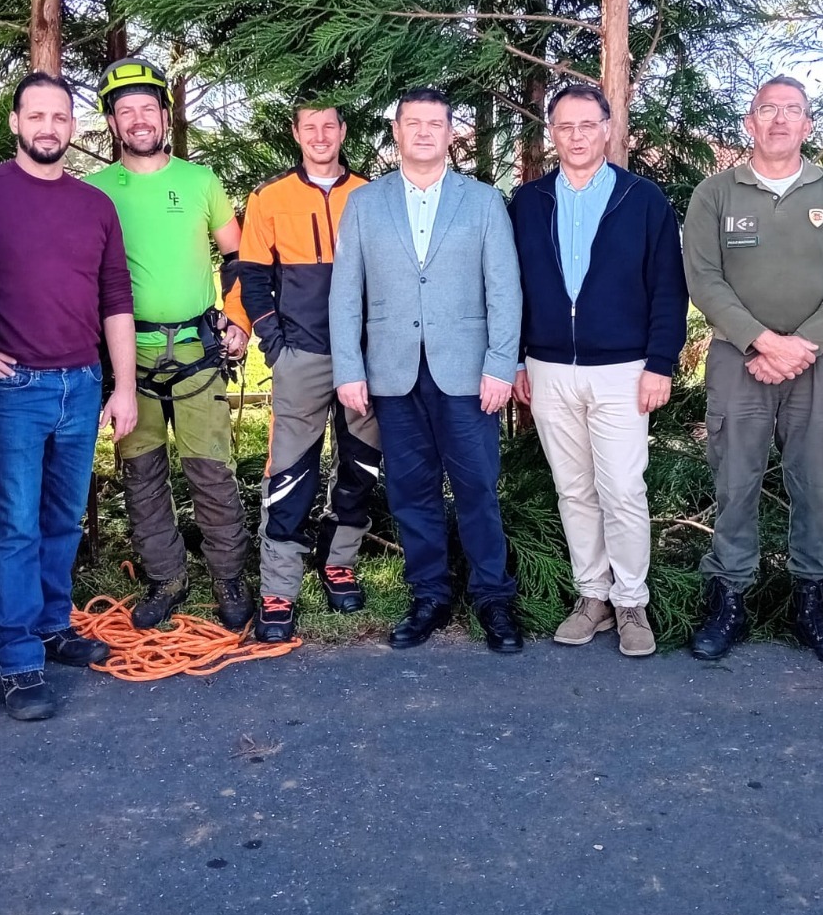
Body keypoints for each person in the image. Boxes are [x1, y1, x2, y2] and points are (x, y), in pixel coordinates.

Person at [0, 70, 138, 722]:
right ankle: (17, 657)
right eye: (36, 116)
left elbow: (116, 297)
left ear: (74, 125)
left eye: (60, 117)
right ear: (14, 122)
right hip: (13, 390)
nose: (48, 127)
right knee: (13, 525)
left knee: (62, 519)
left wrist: (123, 385)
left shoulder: (95, 205)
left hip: (81, 384)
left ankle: (52, 625)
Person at [681, 76, 823, 666]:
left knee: (814, 485)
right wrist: (762, 341)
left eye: (793, 111)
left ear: (809, 125)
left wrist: (801, 346)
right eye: (769, 110)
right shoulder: (716, 193)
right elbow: (705, 280)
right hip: (739, 361)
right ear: (750, 122)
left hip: (819, 363)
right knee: (734, 483)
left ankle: (813, 603)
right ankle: (729, 599)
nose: (781, 120)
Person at [328, 87, 523, 652]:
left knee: (477, 490)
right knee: (411, 492)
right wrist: (349, 367)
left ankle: (493, 599)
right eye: (412, 123)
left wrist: (500, 366)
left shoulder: (483, 201)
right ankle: (430, 595)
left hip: (467, 374)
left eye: (434, 124)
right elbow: (346, 295)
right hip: (392, 374)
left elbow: (504, 290)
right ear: (397, 132)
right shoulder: (365, 204)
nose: (423, 132)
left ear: (449, 133)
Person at [507, 84, 687, 658]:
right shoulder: (528, 202)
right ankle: (593, 598)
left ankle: (631, 601)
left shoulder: (643, 199)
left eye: (588, 125)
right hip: (548, 368)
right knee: (574, 490)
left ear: (608, 129)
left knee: (624, 491)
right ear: (551, 134)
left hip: (623, 370)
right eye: (564, 126)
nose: (577, 136)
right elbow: (508, 290)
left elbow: (669, 288)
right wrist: (513, 359)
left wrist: (660, 363)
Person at [84, 59, 253, 632]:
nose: (138, 119)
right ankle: (166, 577)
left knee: (211, 470)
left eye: (147, 108)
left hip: (198, 350)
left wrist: (239, 321)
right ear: (112, 122)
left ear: (165, 113)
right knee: (143, 472)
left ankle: (229, 576)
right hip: (130, 355)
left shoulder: (200, 182)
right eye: (124, 110)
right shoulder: (96, 192)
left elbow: (238, 257)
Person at [236, 103, 380, 643]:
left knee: (360, 465)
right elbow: (250, 277)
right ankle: (279, 587)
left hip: (363, 359)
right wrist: (275, 344)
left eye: (330, 126)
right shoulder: (269, 198)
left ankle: (338, 561)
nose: (320, 136)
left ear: (343, 132)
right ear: (296, 134)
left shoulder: (370, 195)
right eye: (309, 127)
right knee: (290, 471)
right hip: (301, 356)